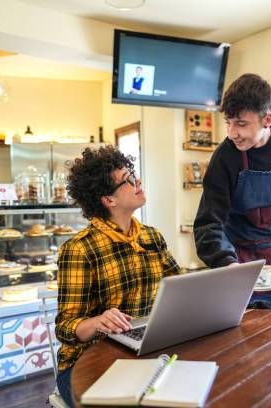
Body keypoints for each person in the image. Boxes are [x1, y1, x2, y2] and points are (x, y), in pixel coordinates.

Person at [55, 145, 181, 406]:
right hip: (85, 362)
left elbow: (178, 287)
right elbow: (65, 327)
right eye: (128, 180)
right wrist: (99, 321)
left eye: (133, 174)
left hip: (141, 348)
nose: (138, 182)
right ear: (108, 200)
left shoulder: (151, 236)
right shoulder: (79, 249)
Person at [193, 73, 271, 311]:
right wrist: (227, 264)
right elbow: (208, 224)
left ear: (267, 119)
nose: (231, 132)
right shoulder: (224, 157)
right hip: (238, 262)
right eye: (228, 122)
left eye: (241, 123)